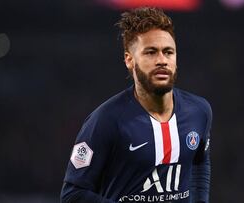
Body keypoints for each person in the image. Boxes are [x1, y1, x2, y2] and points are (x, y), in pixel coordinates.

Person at [60, 7, 212, 203]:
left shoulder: (199, 111)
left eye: (168, 52)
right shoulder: (106, 120)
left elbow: (200, 164)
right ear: (129, 60)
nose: (162, 61)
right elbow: (72, 195)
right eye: (151, 52)